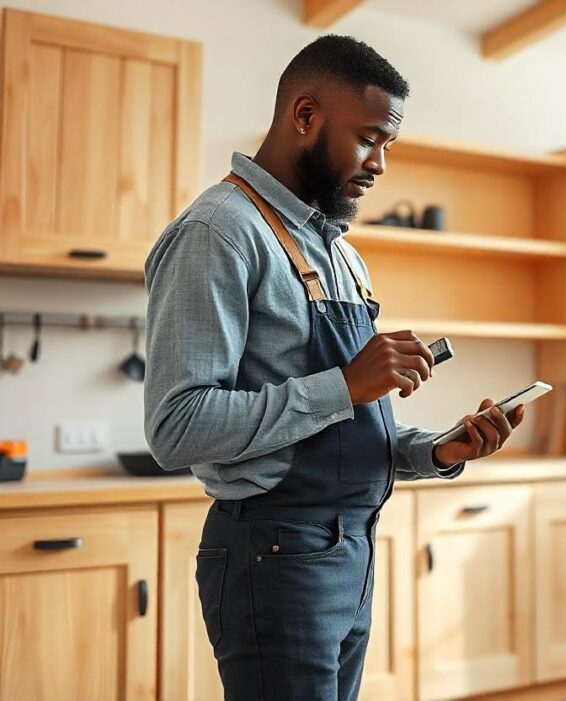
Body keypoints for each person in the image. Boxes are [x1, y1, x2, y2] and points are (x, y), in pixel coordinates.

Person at [143, 34, 525, 701]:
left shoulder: (340, 252)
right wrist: (347, 383)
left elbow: (343, 423)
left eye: (388, 145)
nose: (380, 164)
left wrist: (435, 449)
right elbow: (176, 426)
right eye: (370, 138)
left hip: (350, 551)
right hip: (275, 556)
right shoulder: (218, 231)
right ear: (304, 114)